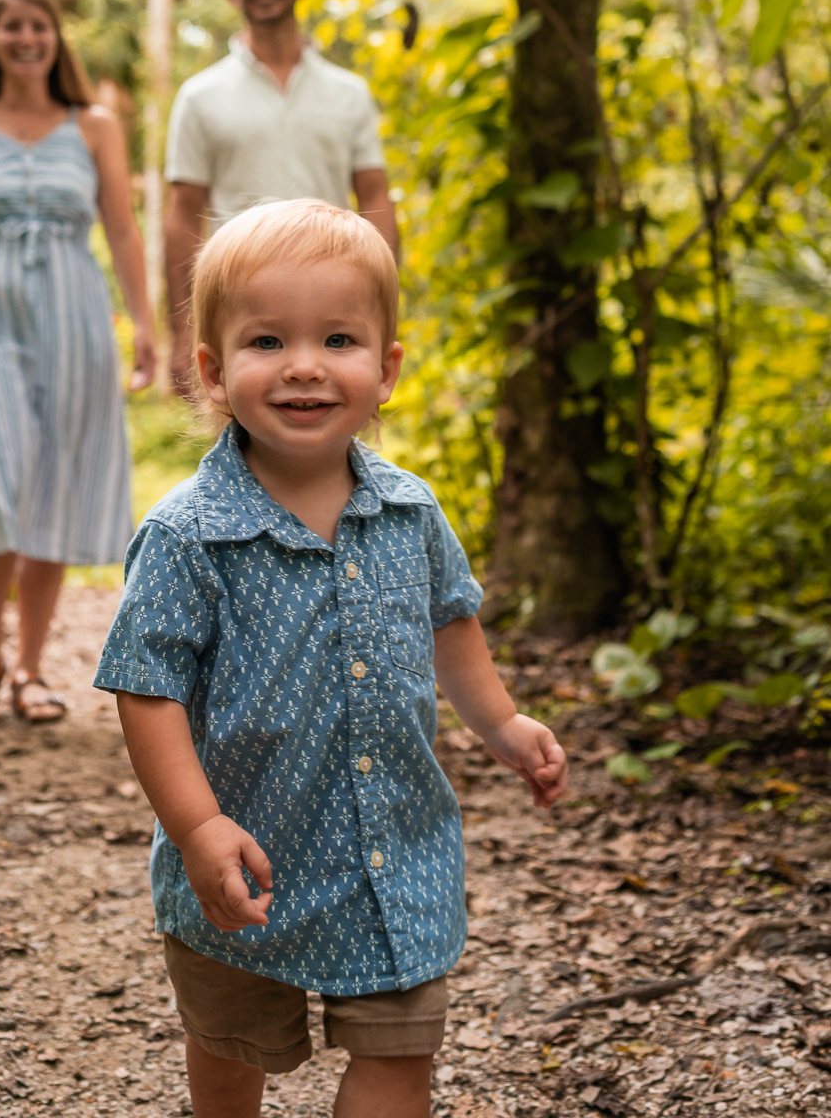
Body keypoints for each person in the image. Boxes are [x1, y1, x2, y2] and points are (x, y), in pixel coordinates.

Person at [94, 201, 567, 1118]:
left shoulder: (411, 512)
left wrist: (502, 722)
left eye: (339, 338)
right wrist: (196, 829)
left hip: (393, 853)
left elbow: (452, 624)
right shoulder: (188, 536)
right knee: (234, 1049)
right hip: (243, 856)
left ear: (386, 369)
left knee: (400, 1056)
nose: (306, 364)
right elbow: (145, 692)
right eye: (268, 340)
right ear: (213, 370)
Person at [0, 0, 156, 723]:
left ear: (56, 39)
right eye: (11, 25)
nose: (25, 38)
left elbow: (121, 231)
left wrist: (146, 327)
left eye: (38, 25)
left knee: (54, 480)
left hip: (76, 315)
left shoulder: (95, 127)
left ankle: (29, 668)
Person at [163, 0, 399, 395]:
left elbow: (375, 198)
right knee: (239, 450)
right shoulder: (199, 97)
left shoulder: (349, 94)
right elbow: (183, 214)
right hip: (242, 309)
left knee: (331, 443)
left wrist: (385, 311)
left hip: (335, 303)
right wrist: (181, 328)